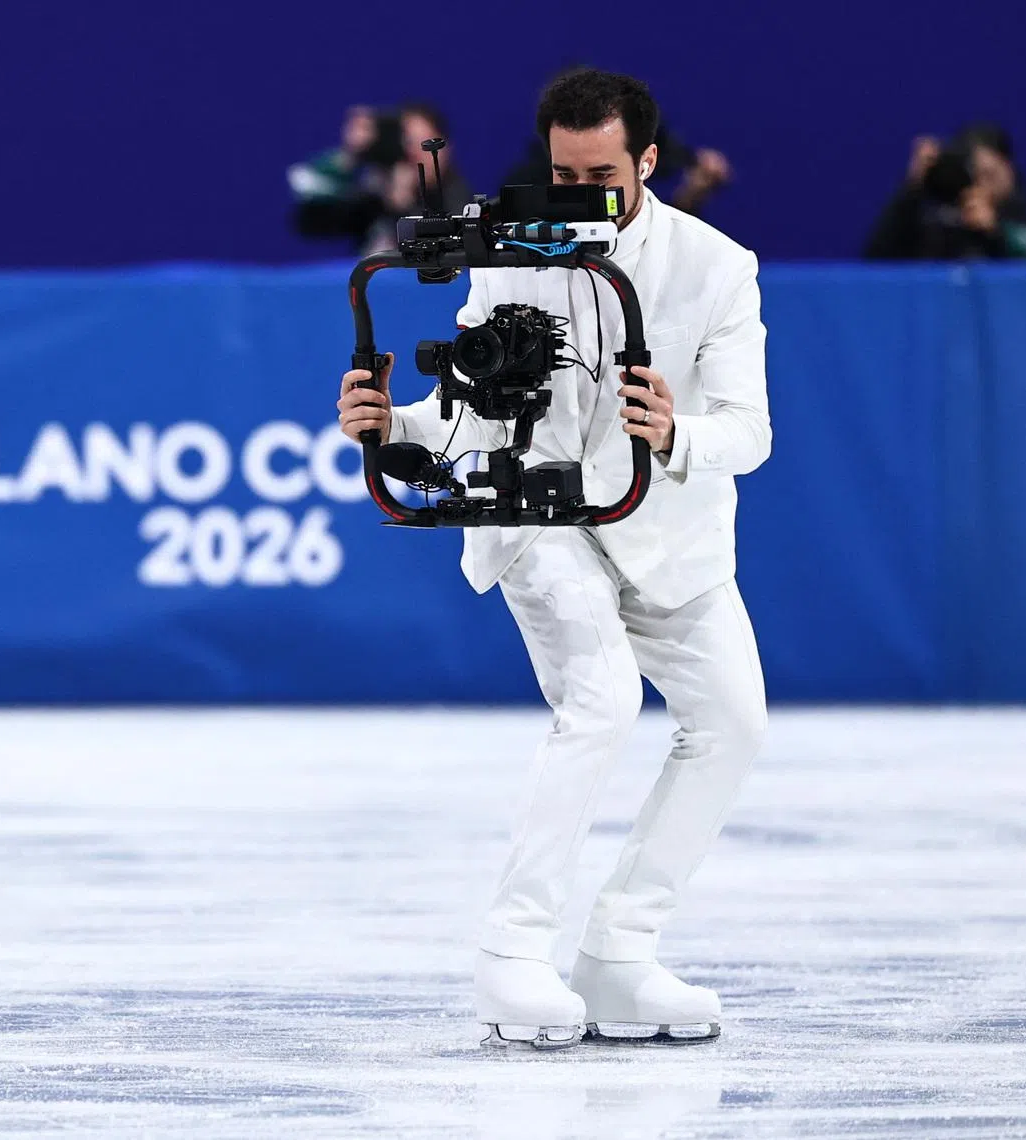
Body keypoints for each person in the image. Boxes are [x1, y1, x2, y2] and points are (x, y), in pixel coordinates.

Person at [337, 68, 770, 1048]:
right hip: (542, 518)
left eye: (603, 176)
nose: (580, 196)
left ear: (648, 161)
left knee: (734, 724)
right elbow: (472, 405)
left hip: (670, 531)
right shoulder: (507, 251)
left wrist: (676, 432)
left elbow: (751, 430)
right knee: (603, 699)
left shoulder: (718, 266)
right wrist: (391, 423)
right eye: (564, 173)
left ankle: (618, 954)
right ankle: (512, 957)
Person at [288, 103, 473, 255]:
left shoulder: (458, 199)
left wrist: (405, 208)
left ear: (445, 148)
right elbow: (309, 221)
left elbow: (449, 256)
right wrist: (350, 157)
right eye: (406, 142)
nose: (413, 152)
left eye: (424, 142)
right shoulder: (378, 194)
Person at [864, 123, 1026, 262]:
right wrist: (911, 190)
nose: (981, 185)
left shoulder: (1019, 217)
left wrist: (995, 232)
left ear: (1009, 172)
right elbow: (875, 261)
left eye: (989, 175)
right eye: (975, 175)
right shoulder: (931, 215)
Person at [502, 108, 731, 218]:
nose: (583, 188)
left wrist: (690, 197)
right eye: (566, 175)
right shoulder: (527, 181)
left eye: (600, 175)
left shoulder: (725, 265)